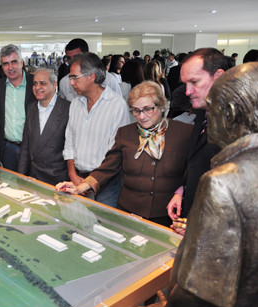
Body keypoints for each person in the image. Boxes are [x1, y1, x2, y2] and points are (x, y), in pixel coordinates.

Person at [137, 62, 258, 307]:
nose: (206, 114)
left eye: (212, 107)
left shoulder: (222, 182)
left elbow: (203, 285)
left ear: (230, 112)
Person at [57, 81, 192, 226]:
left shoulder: (184, 133)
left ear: (161, 106)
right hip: (130, 212)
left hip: (167, 216)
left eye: (148, 109)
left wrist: (181, 191)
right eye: (136, 110)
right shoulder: (125, 133)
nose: (141, 116)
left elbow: (193, 171)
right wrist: (80, 187)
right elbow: (109, 167)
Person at [62, 52, 131, 208]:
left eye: (74, 78)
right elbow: (69, 141)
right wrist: (73, 174)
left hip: (107, 184)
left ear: (91, 77)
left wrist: (89, 182)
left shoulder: (116, 105)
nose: (71, 83)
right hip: (78, 178)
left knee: (103, 228)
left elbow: (115, 152)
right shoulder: (75, 104)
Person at [166, 48, 226, 221]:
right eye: (185, 83)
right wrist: (182, 191)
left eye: (195, 82)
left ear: (219, 76)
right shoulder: (202, 113)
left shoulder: (237, 124)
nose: (187, 91)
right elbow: (197, 164)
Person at [18, 68, 70, 185]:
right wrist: (20, 176)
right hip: (33, 177)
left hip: (57, 179)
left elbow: (71, 148)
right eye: (35, 84)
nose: (37, 87)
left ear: (54, 85)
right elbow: (26, 146)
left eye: (43, 83)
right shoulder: (31, 108)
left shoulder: (67, 109)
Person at [0, 44, 36, 171]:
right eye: (5, 64)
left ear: (22, 62)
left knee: (31, 186)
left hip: (31, 148)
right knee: (9, 185)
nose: (10, 67)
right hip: (8, 149)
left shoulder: (35, 84)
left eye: (14, 62)